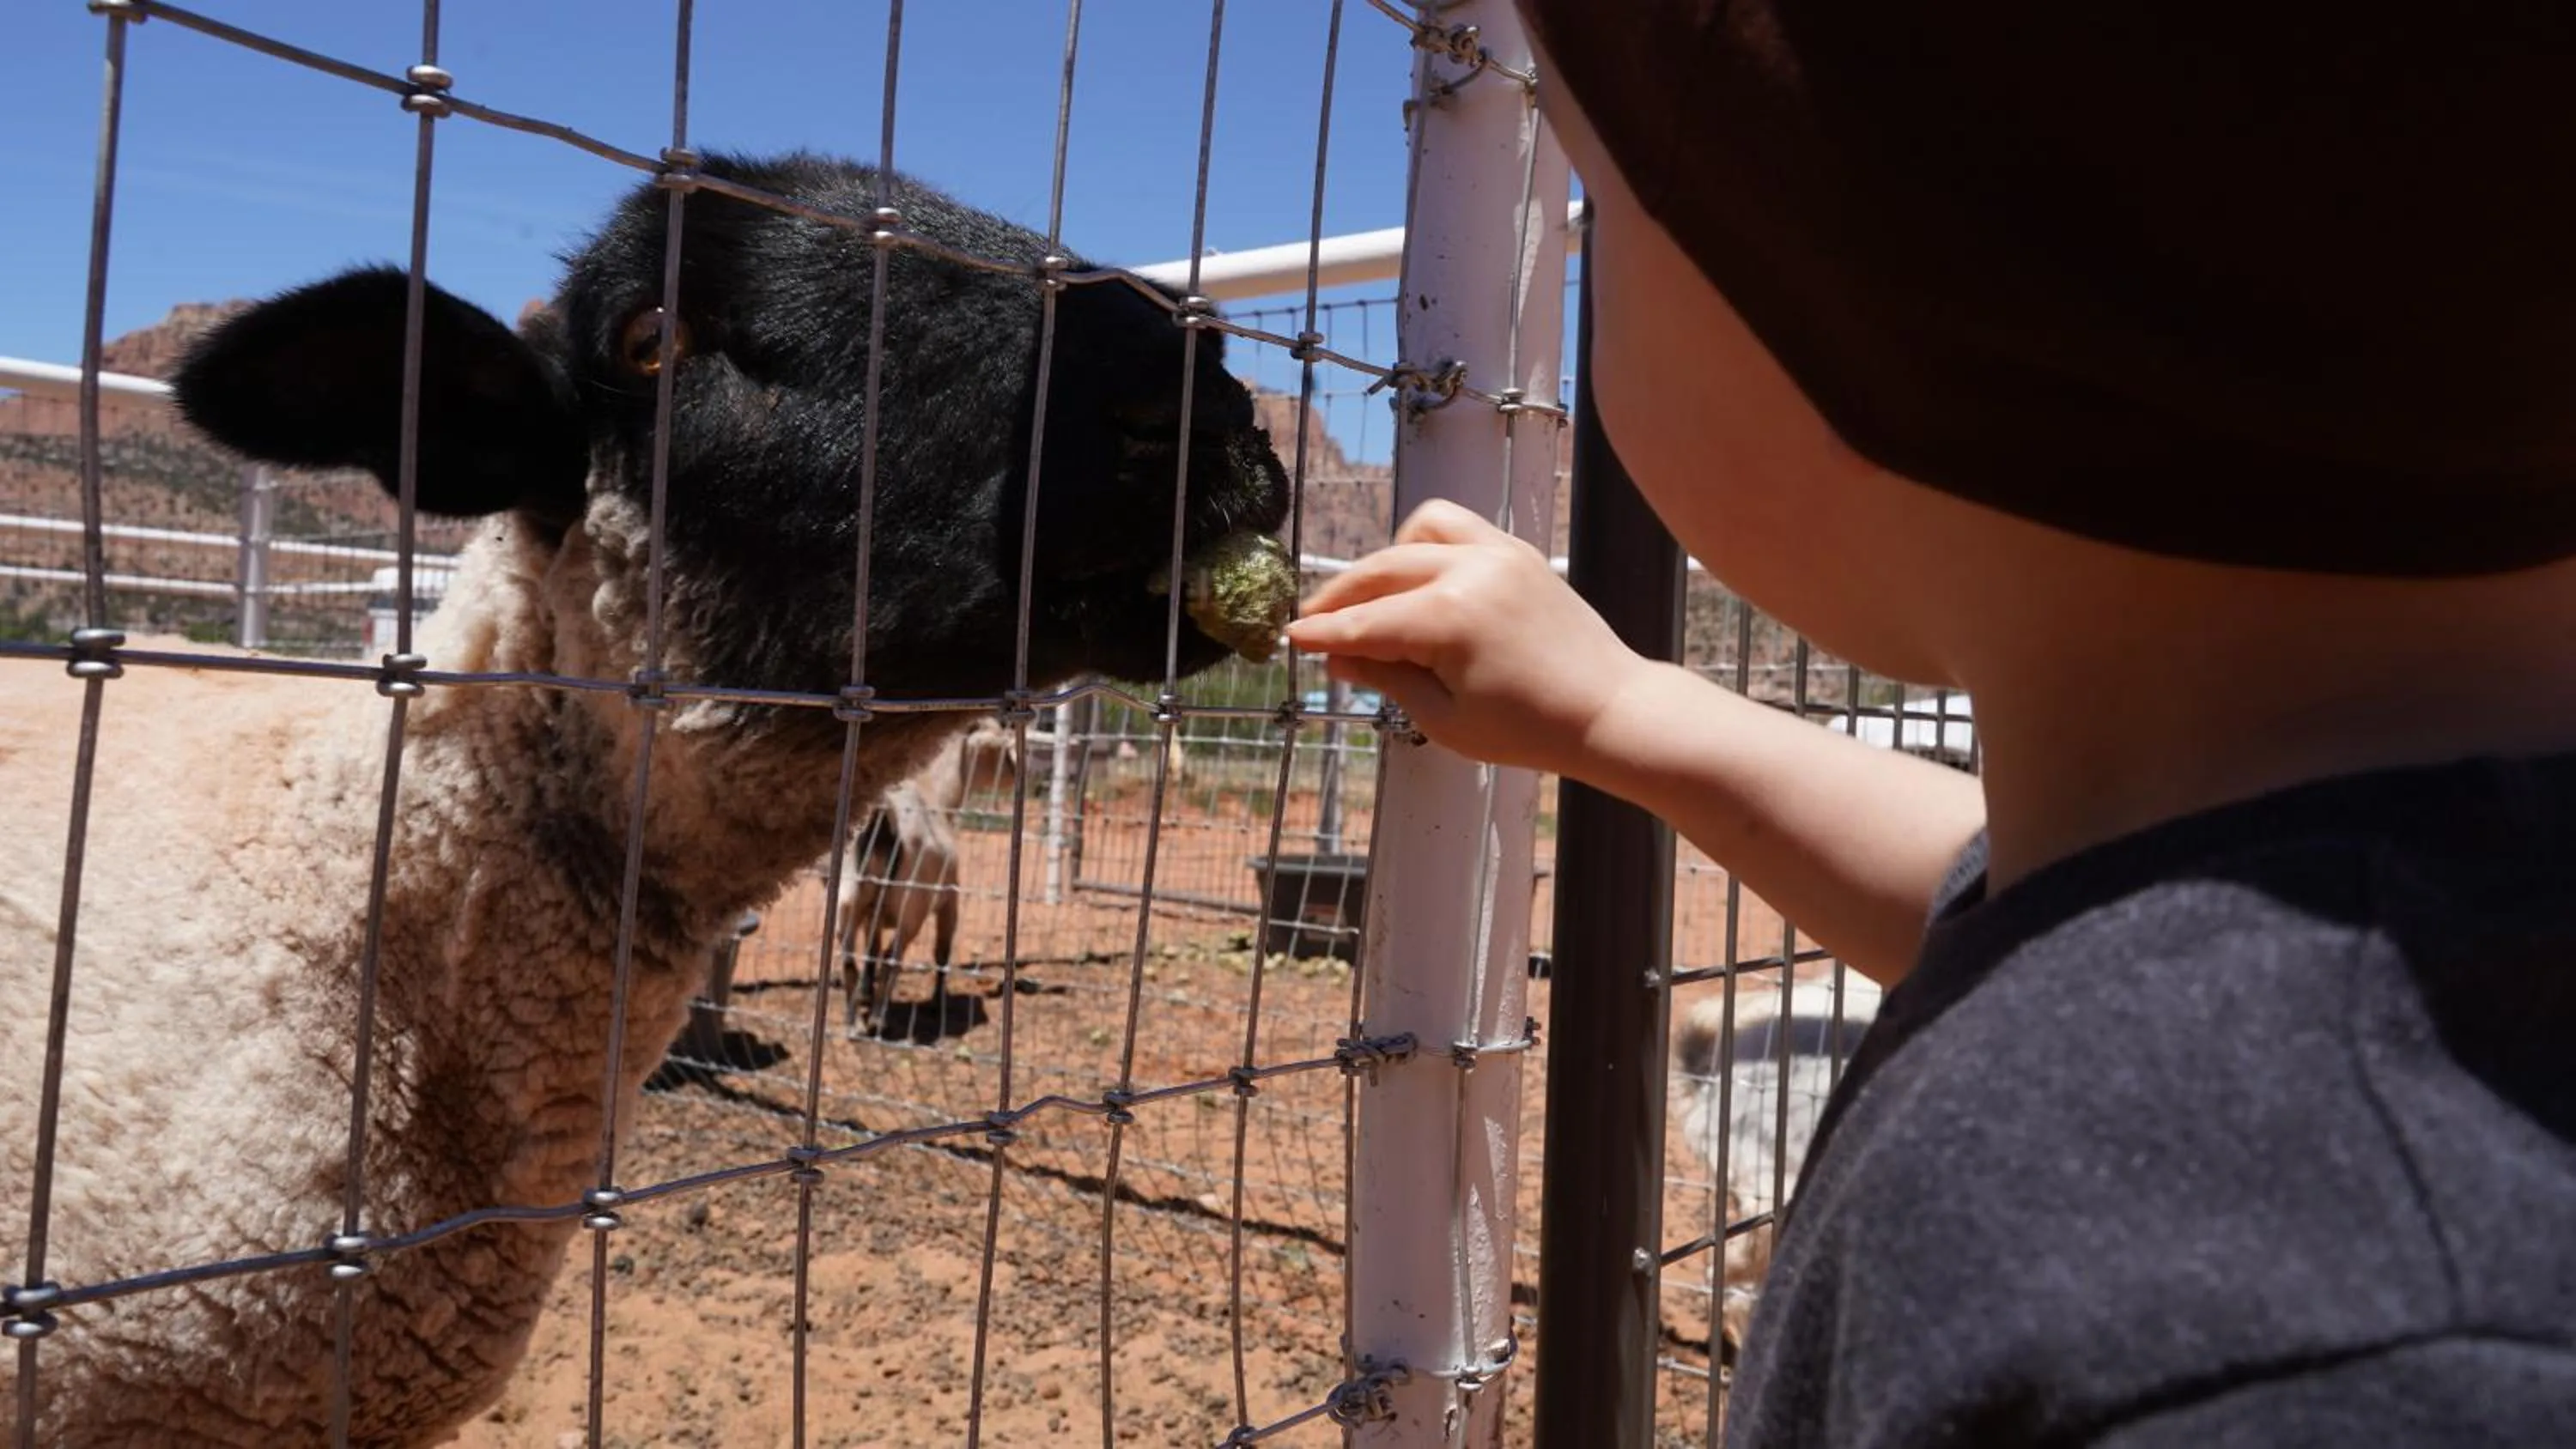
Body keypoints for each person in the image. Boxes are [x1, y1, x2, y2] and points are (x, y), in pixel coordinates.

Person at [1285, 5, 2576, 1443]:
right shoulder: (2399, 918)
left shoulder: (2306, 1351)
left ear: (1830, 319)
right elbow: (2038, 908)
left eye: (1611, 208)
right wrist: (1621, 708)